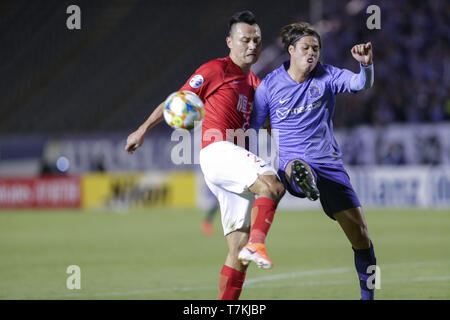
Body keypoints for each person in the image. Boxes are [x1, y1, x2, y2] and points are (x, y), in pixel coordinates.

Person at [125, 10, 285, 300]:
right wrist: (142, 129)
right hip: (218, 151)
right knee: (271, 184)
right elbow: (176, 100)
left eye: (257, 41)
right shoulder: (214, 70)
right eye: (245, 40)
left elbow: (270, 126)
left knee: (237, 252)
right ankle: (258, 243)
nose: (252, 46)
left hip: (232, 160)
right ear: (229, 42)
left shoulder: (256, 85)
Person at [251, 22, 377, 300]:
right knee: (298, 168)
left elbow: (359, 83)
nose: (311, 54)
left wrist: (366, 66)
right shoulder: (269, 85)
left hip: (330, 166)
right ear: (291, 50)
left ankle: (368, 298)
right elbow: (252, 125)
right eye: (306, 48)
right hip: (291, 164)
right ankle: (302, 178)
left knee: (362, 238)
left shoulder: (327, 76)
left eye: (316, 49)